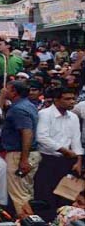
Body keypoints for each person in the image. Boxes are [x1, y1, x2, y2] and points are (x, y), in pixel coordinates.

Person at [35, 87, 83, 221]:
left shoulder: (73, 116)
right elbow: (42, 137)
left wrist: (78, 161)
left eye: (73, 99)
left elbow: (76, 139)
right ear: (56, 100)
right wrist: (63, 150)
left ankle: (63, 221)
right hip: (48, 160)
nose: (72, 102)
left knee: (66, 195)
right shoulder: (45, 114)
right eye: (67, 99)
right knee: (46, 194)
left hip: (67, 161)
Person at [0, 80, 41, 216]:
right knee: (26, 192)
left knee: (20, 196)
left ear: (14, 92)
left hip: (19, 155)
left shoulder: (18, 109)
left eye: (7, 88)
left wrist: (23, 159)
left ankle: (27, 221)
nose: (4, 90)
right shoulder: (28, 105)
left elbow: (27, 133)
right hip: (29, 153)